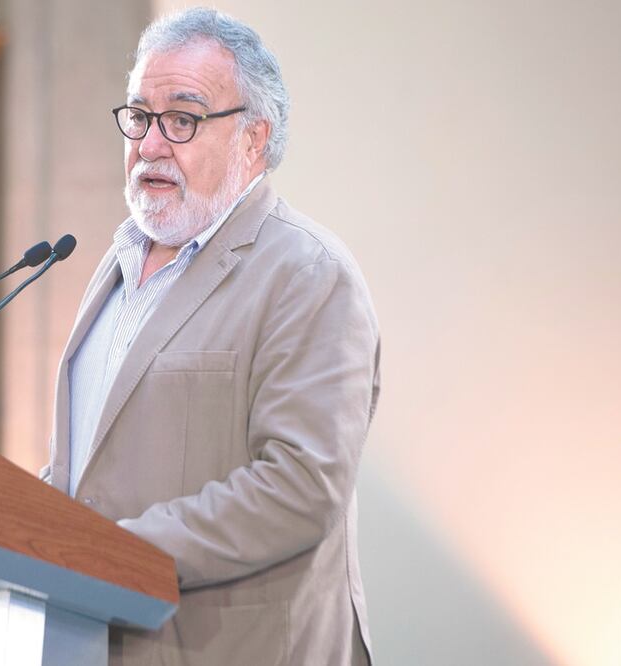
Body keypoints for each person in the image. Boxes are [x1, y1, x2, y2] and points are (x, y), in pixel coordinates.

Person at [43, 8, 380, 665]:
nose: (149, 144)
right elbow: (86, 466)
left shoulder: (307, 273)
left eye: (182, 119)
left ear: (253, 138)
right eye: (139, 116)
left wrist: (114, 554)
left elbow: (299, 486)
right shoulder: (116, 265)